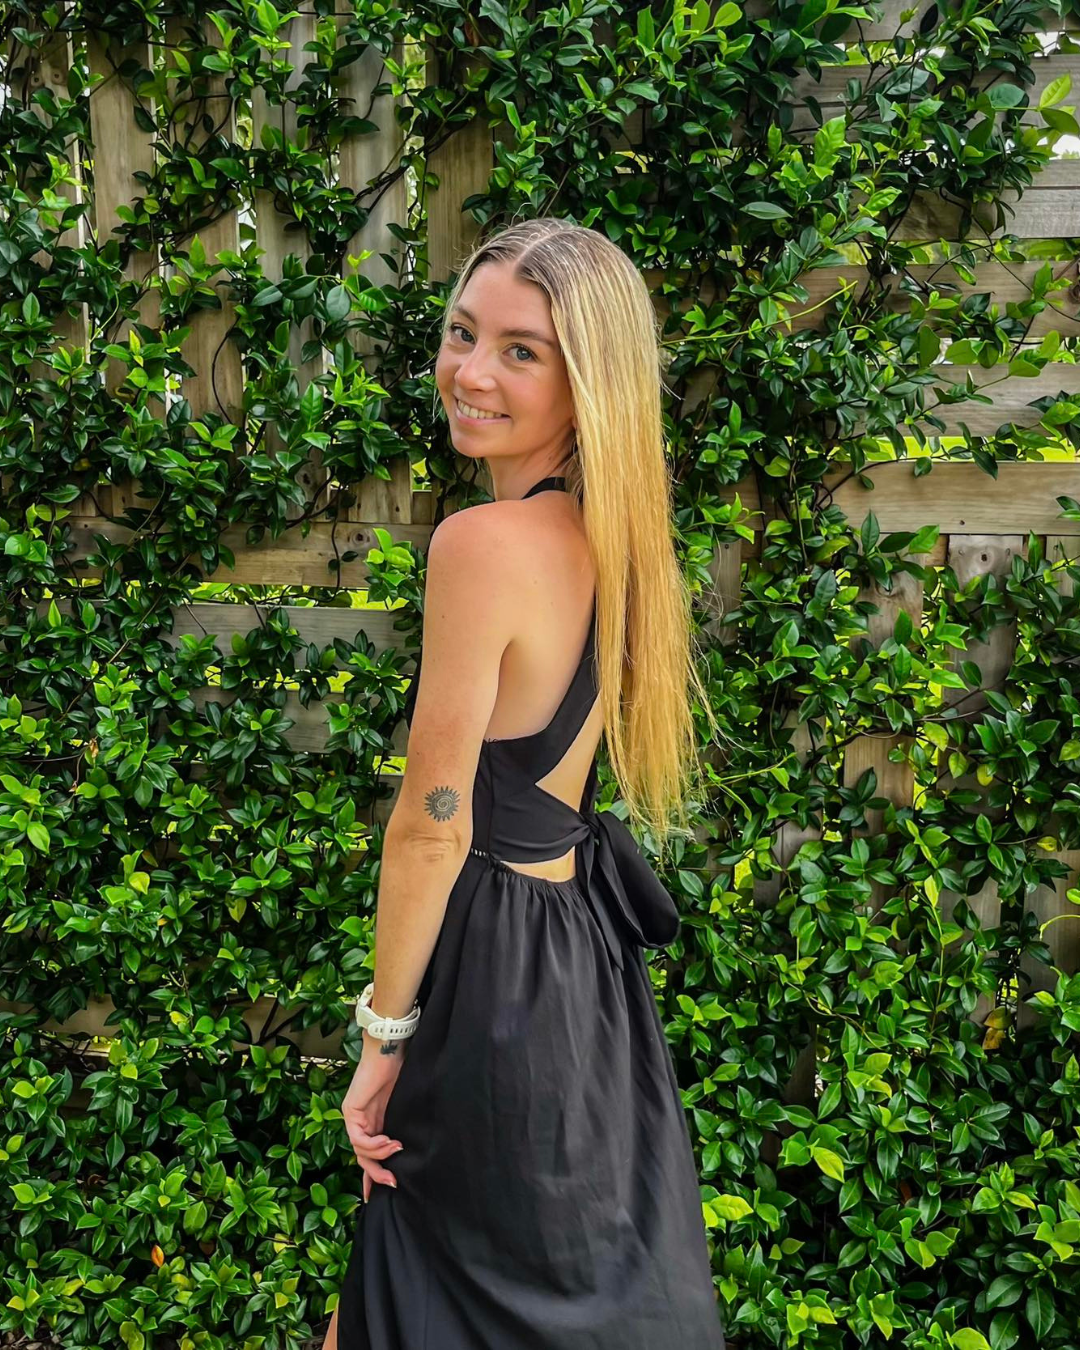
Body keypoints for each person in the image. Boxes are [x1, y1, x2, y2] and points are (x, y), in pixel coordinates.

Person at [324, 217, 726, 1348]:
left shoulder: (484, 544)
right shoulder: (621, 537)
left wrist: (382, 1035)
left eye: (520, 351)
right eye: (462, 334)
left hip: (489, 976)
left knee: (415, 1300)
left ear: (583, 375)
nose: (470, 372)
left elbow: (430, 829)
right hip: (577, 972)